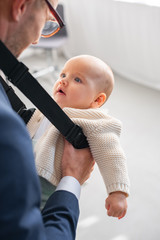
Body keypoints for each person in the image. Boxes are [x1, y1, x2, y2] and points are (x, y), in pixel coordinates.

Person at [0, 1, 95, 240]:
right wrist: (72, 179)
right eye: (48, 18)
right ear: (20, 6)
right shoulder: (7, 130)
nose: (35, 41)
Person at [27, 55, 130, 219]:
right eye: (62, 75)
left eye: (77, 79)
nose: (63, 81)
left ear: (97, 100)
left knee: (34, 211)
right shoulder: (48, 105)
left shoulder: (94, 121)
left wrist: (118, 192)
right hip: (23, 164)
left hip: (46, 183)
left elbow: (112, 154)